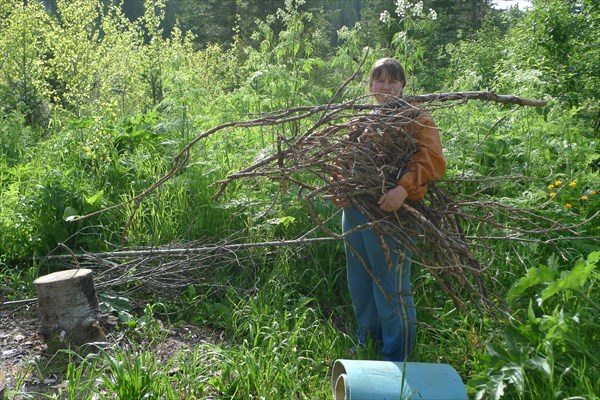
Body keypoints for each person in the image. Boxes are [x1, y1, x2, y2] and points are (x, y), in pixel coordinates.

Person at [337, 57, 446, 361]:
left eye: (392, 81)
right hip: (356, 211)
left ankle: (396, 355)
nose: (385, 86)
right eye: (379, 80)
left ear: (402, 86)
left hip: (393, 213)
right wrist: (341, 188)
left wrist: (403, 189)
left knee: (391, 284)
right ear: (370, 85)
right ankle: (367, 343)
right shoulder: (362, 119)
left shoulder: (416, 117)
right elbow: (344, 159)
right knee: (360, 281)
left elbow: (432, 158)